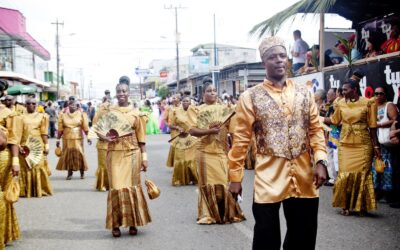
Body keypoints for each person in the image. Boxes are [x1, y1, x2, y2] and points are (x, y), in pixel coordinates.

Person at [228, 36, 328, 250]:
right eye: (273, 57)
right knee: (266, 236)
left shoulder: (304, 92)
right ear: (264, 62)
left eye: (283, 56)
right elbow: (241, 139)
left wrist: (321, 161)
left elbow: (315, 129)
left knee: (303, 234)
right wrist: (235, 177)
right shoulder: (250, 97)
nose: (279, 60)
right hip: (268, 176)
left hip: (303, 175)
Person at [95, 77, 151, 237]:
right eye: (119, 91)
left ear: (129, 93)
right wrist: (104, 137)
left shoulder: (136, 113)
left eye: (124, 91)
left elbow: (142, 139)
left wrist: (145, 158)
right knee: (116, 188)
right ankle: (116, 224)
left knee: (132, 188)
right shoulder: (109, 111)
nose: (121, 94)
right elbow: (98, 129)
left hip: (133, 153)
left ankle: (133, 222)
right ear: (115, 93)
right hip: (114, 154)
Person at [189, 76, 245, 225]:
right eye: (209, 91)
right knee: (206, 182)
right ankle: (208, 213)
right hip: (204, 151)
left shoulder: (226, 110)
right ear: (203, 95)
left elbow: (233, 132)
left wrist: (233, 150)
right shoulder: (196, 110)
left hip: (221, 150)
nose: (212, 93)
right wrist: (209, 132)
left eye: (214, 91)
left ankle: (225, 211)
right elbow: (192, 131)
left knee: (222, 180)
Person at [326, 74, 380, 216]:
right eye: (342, 90)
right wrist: (316, 118)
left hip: (363, 144)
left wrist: (376, 147)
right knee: (344, 174)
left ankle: (361, 206)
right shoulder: (340, 103)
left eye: (345, 90)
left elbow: (373, 127)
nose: (343, 92)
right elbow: (335, 120)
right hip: (345, 144)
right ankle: (345, 205)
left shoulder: (369, 103)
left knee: (363, 174)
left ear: (355, 90)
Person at [17, 98, 53, 198]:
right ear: (25, 105)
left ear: (36, 105)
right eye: (28, 103)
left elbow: (44, 133)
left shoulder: (42, 116)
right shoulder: (20, 116)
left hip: (37, 144)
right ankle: (26, 190)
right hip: (24, 144)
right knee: (26, 167)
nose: (31, 105)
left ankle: (40, 189)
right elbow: (18, 132)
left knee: (38, 165)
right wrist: (18, 145)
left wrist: (46, 145)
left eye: (33, 103)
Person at [0, 94, 21, 245]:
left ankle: (4, 233)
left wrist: (15, 161)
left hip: (2, 158)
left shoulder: (8, 113)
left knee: (2, 195)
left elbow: (13, 139)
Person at [374, 86, 400, 207]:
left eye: (381, 94)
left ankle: (390, 195)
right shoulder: (374, 106)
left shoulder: (389, 105)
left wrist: (380, 124)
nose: (378, 96)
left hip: (390, 144)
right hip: (380, 143)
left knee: (390, 170)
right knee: (379, 169)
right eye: (376, 94)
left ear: (386, 95)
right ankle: (380, 193)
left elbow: (395, 120)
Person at [56, 100, 91, 180]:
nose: (72, 106)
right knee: (68, 155)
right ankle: (69, 173)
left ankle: (82, 172)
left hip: (78, 137)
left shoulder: (82, 114)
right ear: (68, 106)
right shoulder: (63, 115)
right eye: (71, 105)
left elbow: (85, 127)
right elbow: (60, 129)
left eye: (74, 105)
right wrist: (58, 140)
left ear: (77, 106)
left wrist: (88, 137)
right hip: (67, 138)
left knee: (80, 154)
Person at [169, 96, 198, 186]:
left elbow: (200, 123)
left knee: (191, 160)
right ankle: (179, 179)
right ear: (181, 102)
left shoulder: (195, 111)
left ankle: (194, 178)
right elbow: (171, 125)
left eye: (187, 101)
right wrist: (178, 127)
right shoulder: (176, 111)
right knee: (180, 160)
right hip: (180, 137)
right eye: (184, 101)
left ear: (190, 103)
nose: (185, 102)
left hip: (192, 138)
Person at [325, 88, 340, 186]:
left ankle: (337, 178)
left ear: (336, 95)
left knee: (336, 155)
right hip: (331, 133)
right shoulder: (329, 106)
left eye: (330, 94)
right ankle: (332, 178)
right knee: (330, 155)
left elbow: (334, 120)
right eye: (327, 94)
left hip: (337, 133)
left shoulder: (337, 105)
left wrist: (322, 119)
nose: (328, 96)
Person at [165, 95, 181, 168]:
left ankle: (181, 162)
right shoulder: (169, 108)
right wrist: (169, 125)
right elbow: (165, 119)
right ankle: (176, 163)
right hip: (174, 130)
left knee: (182, 146)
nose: (173, 99)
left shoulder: (182, 107)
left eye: (175, 97)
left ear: (179, 99)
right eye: (173, 97)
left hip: (183, 130)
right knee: (175, 145)